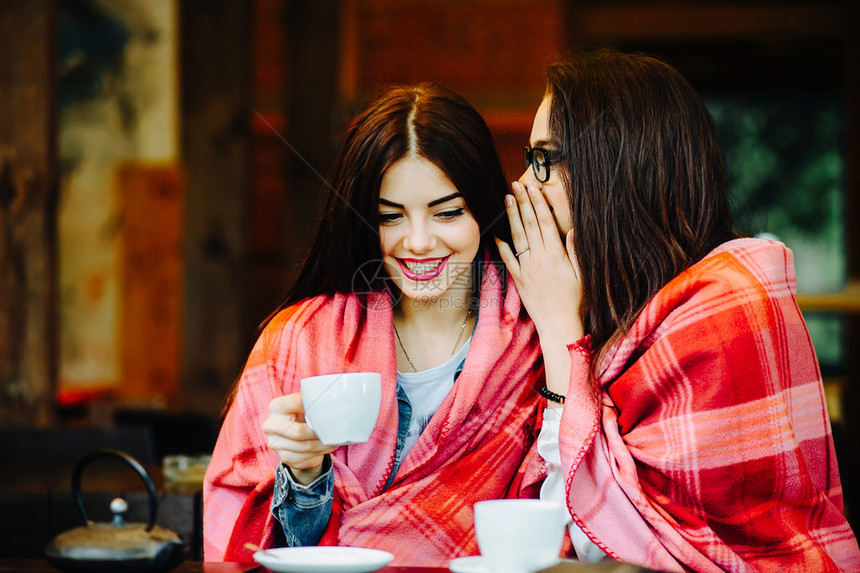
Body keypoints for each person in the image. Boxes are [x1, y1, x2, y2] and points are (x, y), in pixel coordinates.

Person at [498, 50, 860, 571]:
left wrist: (560, 331)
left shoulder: (726, 309)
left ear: (613, 166)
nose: (526, 187)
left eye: (544, 160)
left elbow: (604, 542)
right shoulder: (607, 304)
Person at [203, 84, 544, 566]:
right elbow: (250, 546)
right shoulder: (297, 339)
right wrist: (303, 476)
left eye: (447, 213)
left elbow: (572, 509)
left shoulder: (539, 341)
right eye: (390, 217)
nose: (419, 241)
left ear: (483, 211)